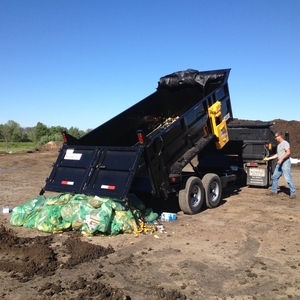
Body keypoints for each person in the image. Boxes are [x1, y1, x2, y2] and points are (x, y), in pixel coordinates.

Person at [265, 131, 296, 199]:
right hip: (280, 162)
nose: (275, 138)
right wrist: (268, 158)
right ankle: (274, 191)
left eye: (276, 137)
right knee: (274, 177)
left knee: (288, 178)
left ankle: (293, 193)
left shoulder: (285, 143)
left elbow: (288, 152)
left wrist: (281, 159)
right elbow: (277, 154)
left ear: (280, 136)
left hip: (285, 162)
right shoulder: (279, 145)